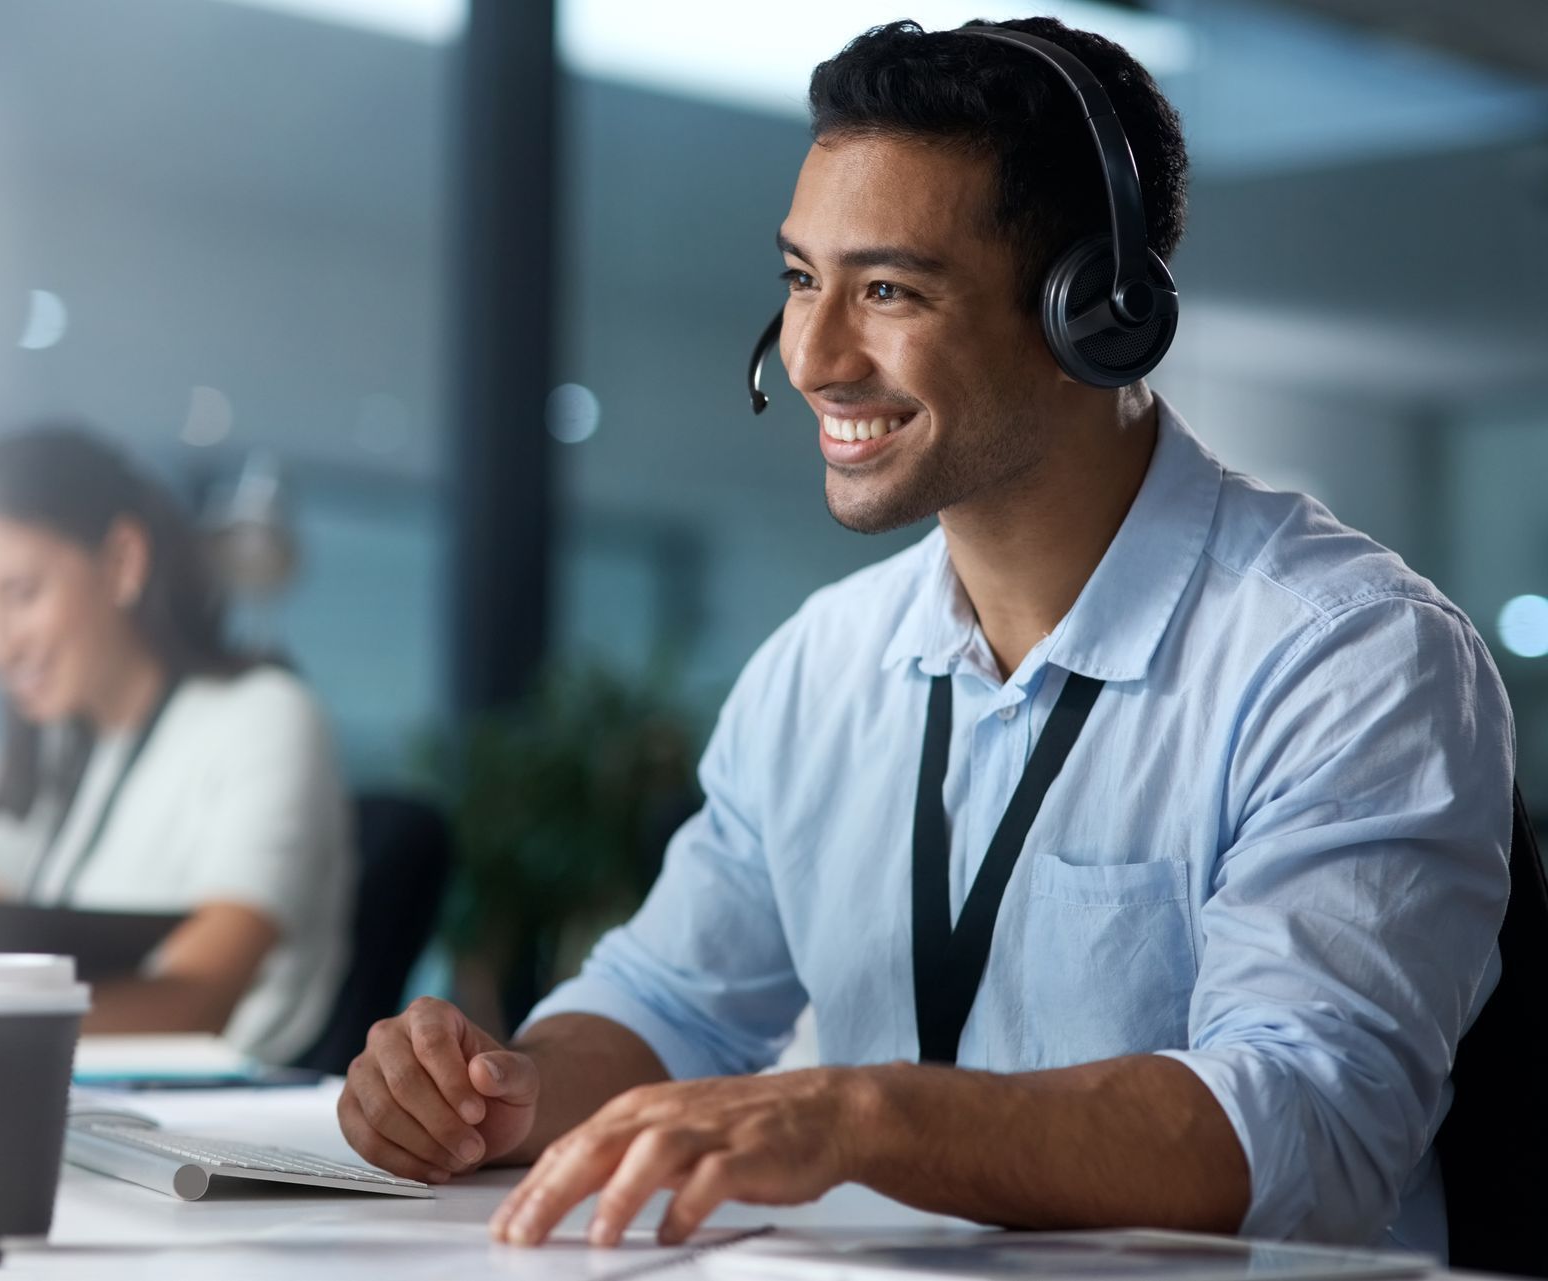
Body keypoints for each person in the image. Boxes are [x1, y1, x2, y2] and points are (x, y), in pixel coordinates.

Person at [336, 15, 1513, 1259]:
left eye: (888, 289)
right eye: (801, 280)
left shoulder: (1347, 657)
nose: (813, 357)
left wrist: (863, 1115)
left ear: (1094, 315)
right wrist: (493, 1096)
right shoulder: (823, 663)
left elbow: (1305, 1130)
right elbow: (667, 1005)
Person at [0, 427, 354, 1066]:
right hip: (73, 1104)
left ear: (122, 563)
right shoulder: (68, 742)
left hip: (215, 1125)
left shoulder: (265, 718)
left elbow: (199, 1001)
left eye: (22, 594)